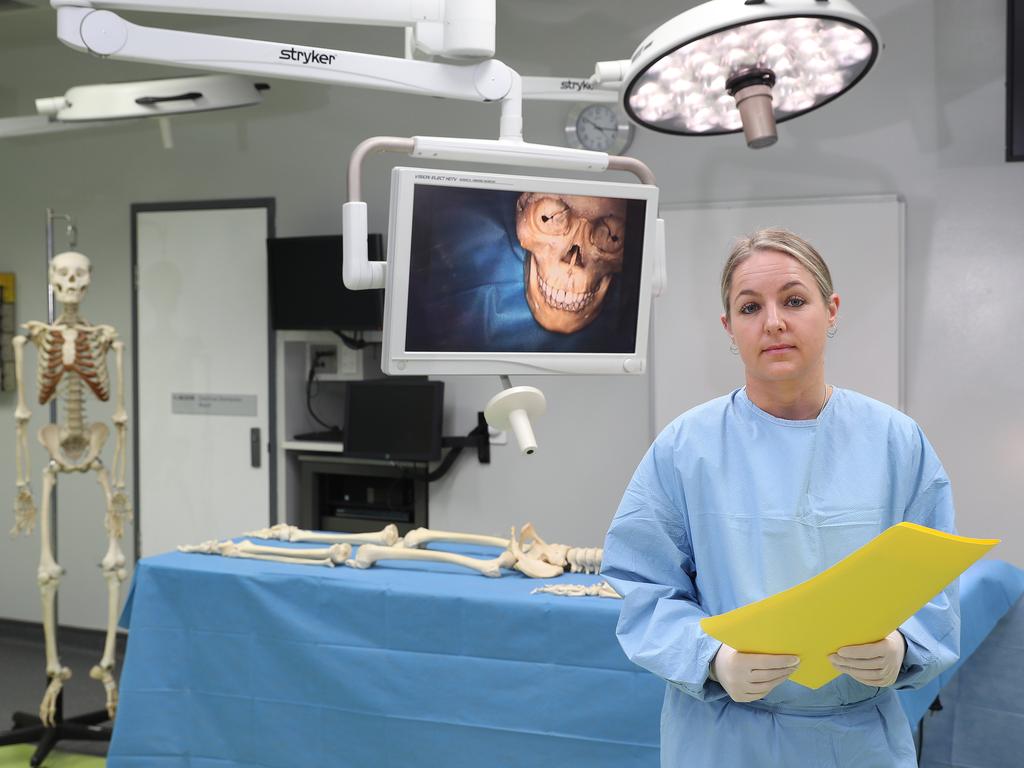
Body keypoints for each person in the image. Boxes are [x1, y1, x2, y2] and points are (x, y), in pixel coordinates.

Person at [602, 228, 958, 767]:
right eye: (750, 307)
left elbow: (935, 585)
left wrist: (903, 648)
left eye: (794, 300)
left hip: (856, 741)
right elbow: (642, 586)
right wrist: (713, 659)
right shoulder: (686, 448)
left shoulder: (894, 443)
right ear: (729, 327)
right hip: (722, 738)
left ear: (831, 309)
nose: (773, 322)